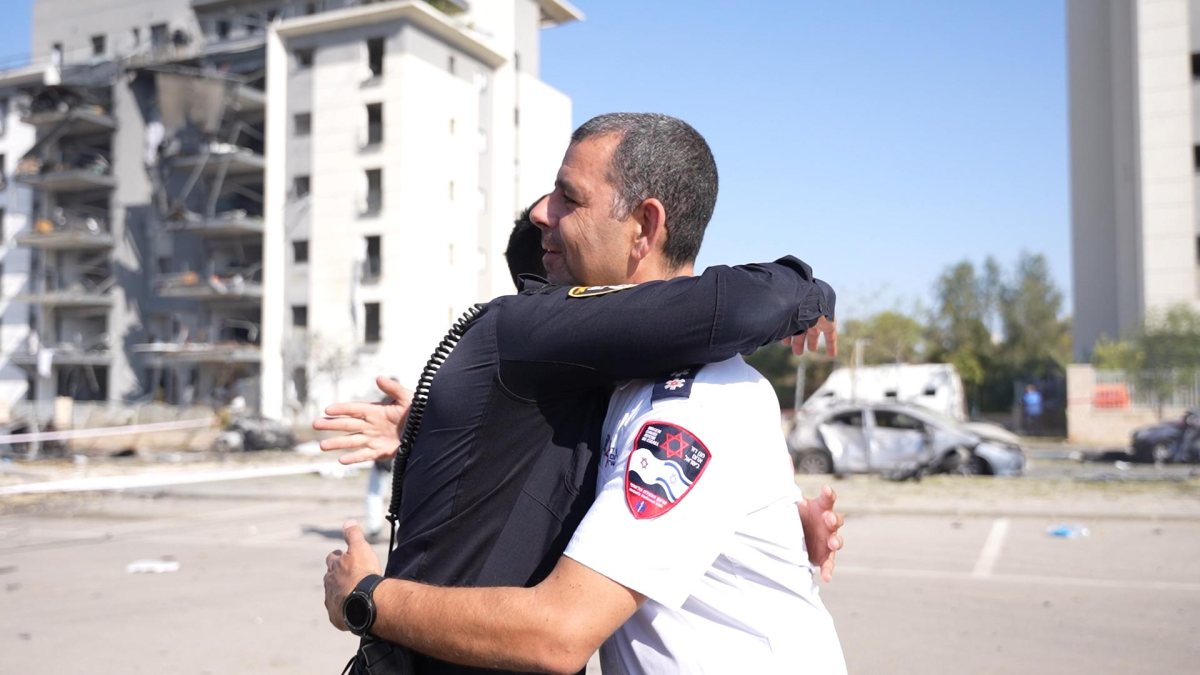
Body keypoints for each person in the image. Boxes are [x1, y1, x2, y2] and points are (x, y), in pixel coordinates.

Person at [322, 113, 845, 673]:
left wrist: (367, 598)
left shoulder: (695, 402)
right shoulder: (608, 382)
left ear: (645, 226)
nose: (541, 212)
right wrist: (441, 426)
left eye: (570, 198)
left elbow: (558, 634)